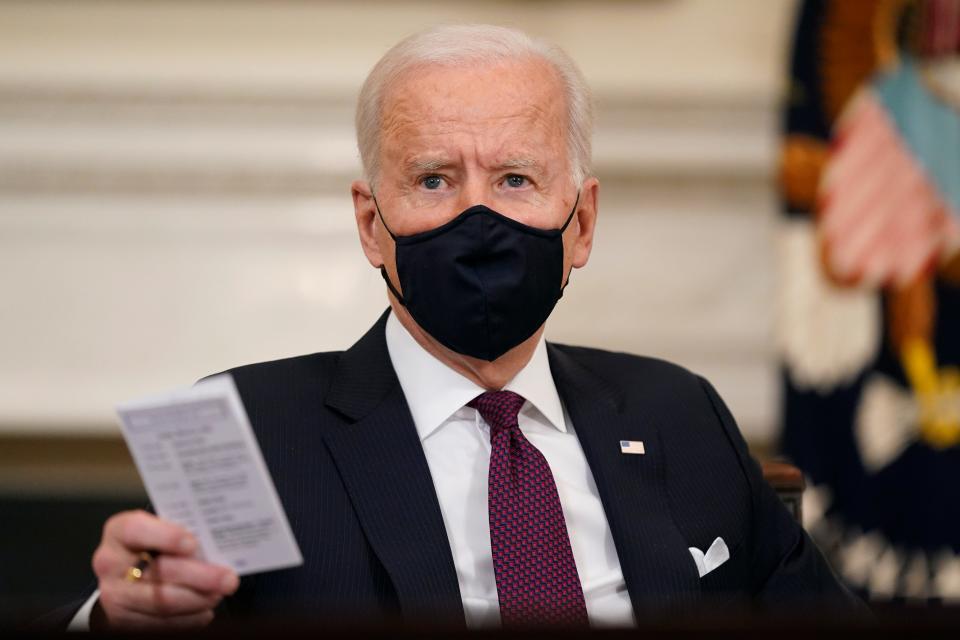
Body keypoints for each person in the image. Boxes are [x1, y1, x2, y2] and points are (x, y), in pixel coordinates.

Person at [60, 24, 861, 631]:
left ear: (580, 223)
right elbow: (156, 598)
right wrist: (119, 611)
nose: (477, 216)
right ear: (372, 224)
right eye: (435, 179)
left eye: (516, 179)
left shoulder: (677, 413)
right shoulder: (250, 428)